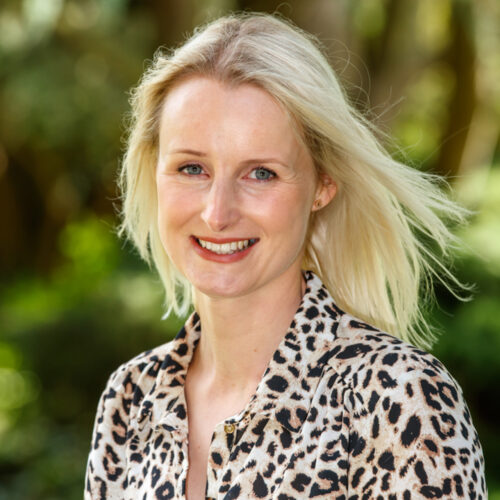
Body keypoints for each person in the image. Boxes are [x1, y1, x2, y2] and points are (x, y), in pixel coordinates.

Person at [85, 12, 487, 499]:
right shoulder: (129, 401)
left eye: (261, 174)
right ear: (153, 172)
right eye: (192, 168)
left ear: (322, 185)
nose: (217, 213)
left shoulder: (399, 400)